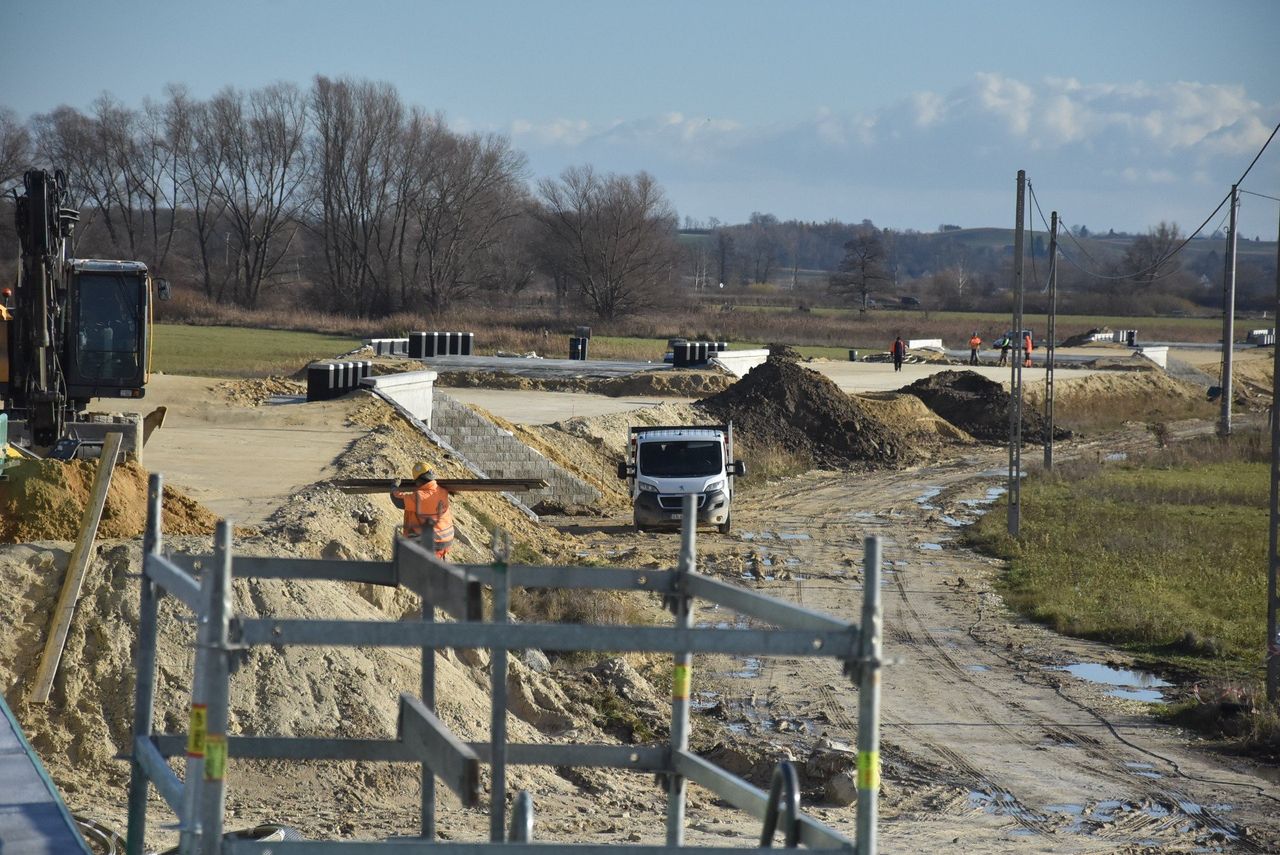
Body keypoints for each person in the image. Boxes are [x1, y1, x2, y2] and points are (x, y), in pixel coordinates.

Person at [390, 462, 455, 558]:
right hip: (446, 540)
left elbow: (397, 500)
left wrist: (394, 486)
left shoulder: (421, 497)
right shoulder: (442, 491)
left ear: (418, 481)